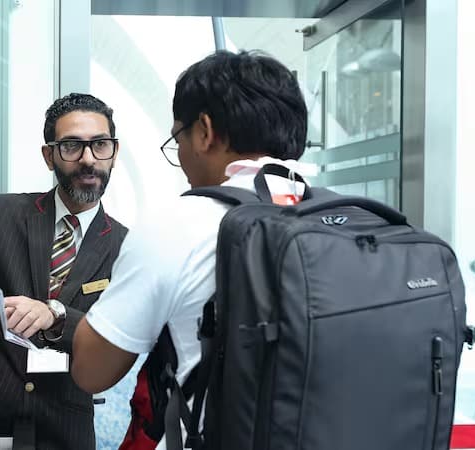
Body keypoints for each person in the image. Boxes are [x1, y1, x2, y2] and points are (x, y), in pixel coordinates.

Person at [70, 50, 310, 448]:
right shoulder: (344, 219)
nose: (179, 156)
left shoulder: (178, 225)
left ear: (204, 132)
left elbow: (91, 371)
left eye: (177, 137)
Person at [0, 93, 128, 450]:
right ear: (49, 155)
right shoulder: (0, 213)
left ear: (114, 152)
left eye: (100, 145)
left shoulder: (126, 246)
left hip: (65, 431)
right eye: (71, 146)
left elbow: (116, 339)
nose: (88, 159)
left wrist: (56, 315)